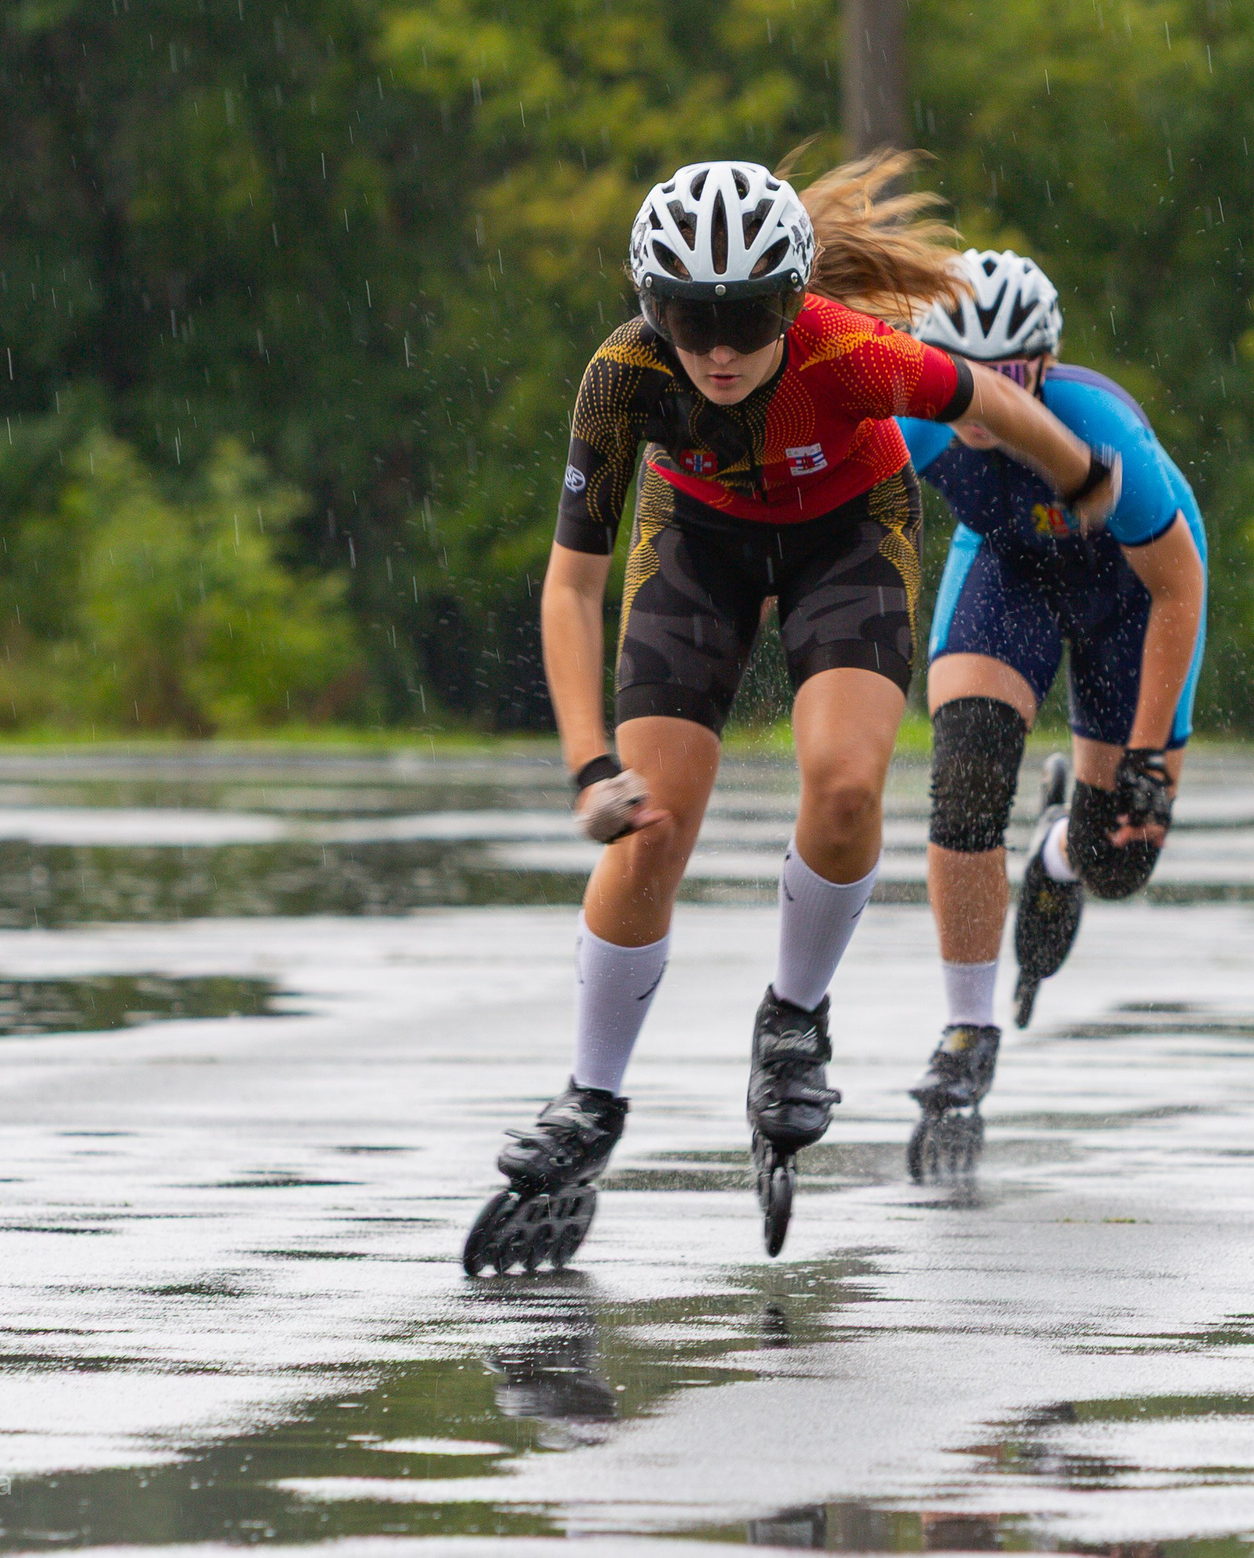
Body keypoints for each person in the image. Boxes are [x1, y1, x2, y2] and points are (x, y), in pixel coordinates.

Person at [464, 155, 1117, 1273]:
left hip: (847, 530)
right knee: (647, 826)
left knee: (849, 785)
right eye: (688, 317)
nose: (717, 350)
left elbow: (989, 399)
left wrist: (1081, 476)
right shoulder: (622, 378)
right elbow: (570, 583)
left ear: (794, 302)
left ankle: (793, 1018)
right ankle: (591, 1098)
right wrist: (586, 768)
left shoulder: (848, 352)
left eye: (750, 315)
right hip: (697, 543)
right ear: (646, 308)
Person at [898, 250, 1208, 1164]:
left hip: (1133, 592)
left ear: (1046, 361)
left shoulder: (1098, 427)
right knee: (965, 774)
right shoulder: (917, 418)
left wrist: (1147, 760)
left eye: (1015, 375)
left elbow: (1178, 590)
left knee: (1121, 856)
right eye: (969, 379)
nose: (993, 401)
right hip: (1009, 572)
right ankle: (965, 1028)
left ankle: (1062, 845)